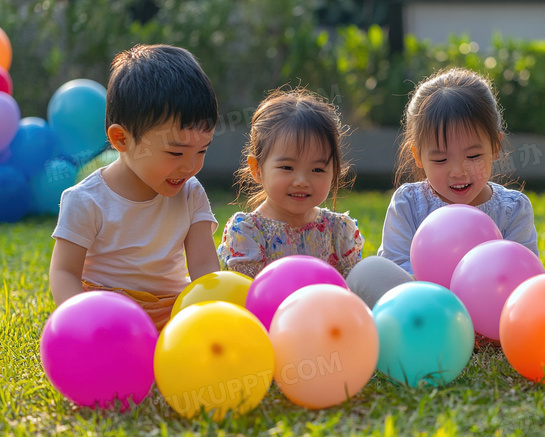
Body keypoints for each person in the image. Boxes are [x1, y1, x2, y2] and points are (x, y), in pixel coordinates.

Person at [49, 44, 221, 331]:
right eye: (176, 153)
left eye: (202, 151)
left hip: (172, 312)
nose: (190, 167)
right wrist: (80, 321)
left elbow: (205, 270)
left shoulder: (191, 194)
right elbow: (64, 271)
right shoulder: (85, 200)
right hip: (108, 313)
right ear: (121, 139)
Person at [346, 68, 538, 312]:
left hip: (490, 307)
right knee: (368, 271)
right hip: (424, 309)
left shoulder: (513, 209)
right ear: (418, 156)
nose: (458, 171)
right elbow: (396, 266)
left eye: (473, 156)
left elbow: (524, 275)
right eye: (440, 160)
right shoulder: (409, 203)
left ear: (495, 146)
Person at [217, 88, 364, 279]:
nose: (302, 181)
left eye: (317, 170)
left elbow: (353, 290)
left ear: (334, 171)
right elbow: (245, 295)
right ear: (257, 169)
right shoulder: (247, 232)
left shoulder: (339, 230)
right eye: (287, 167)